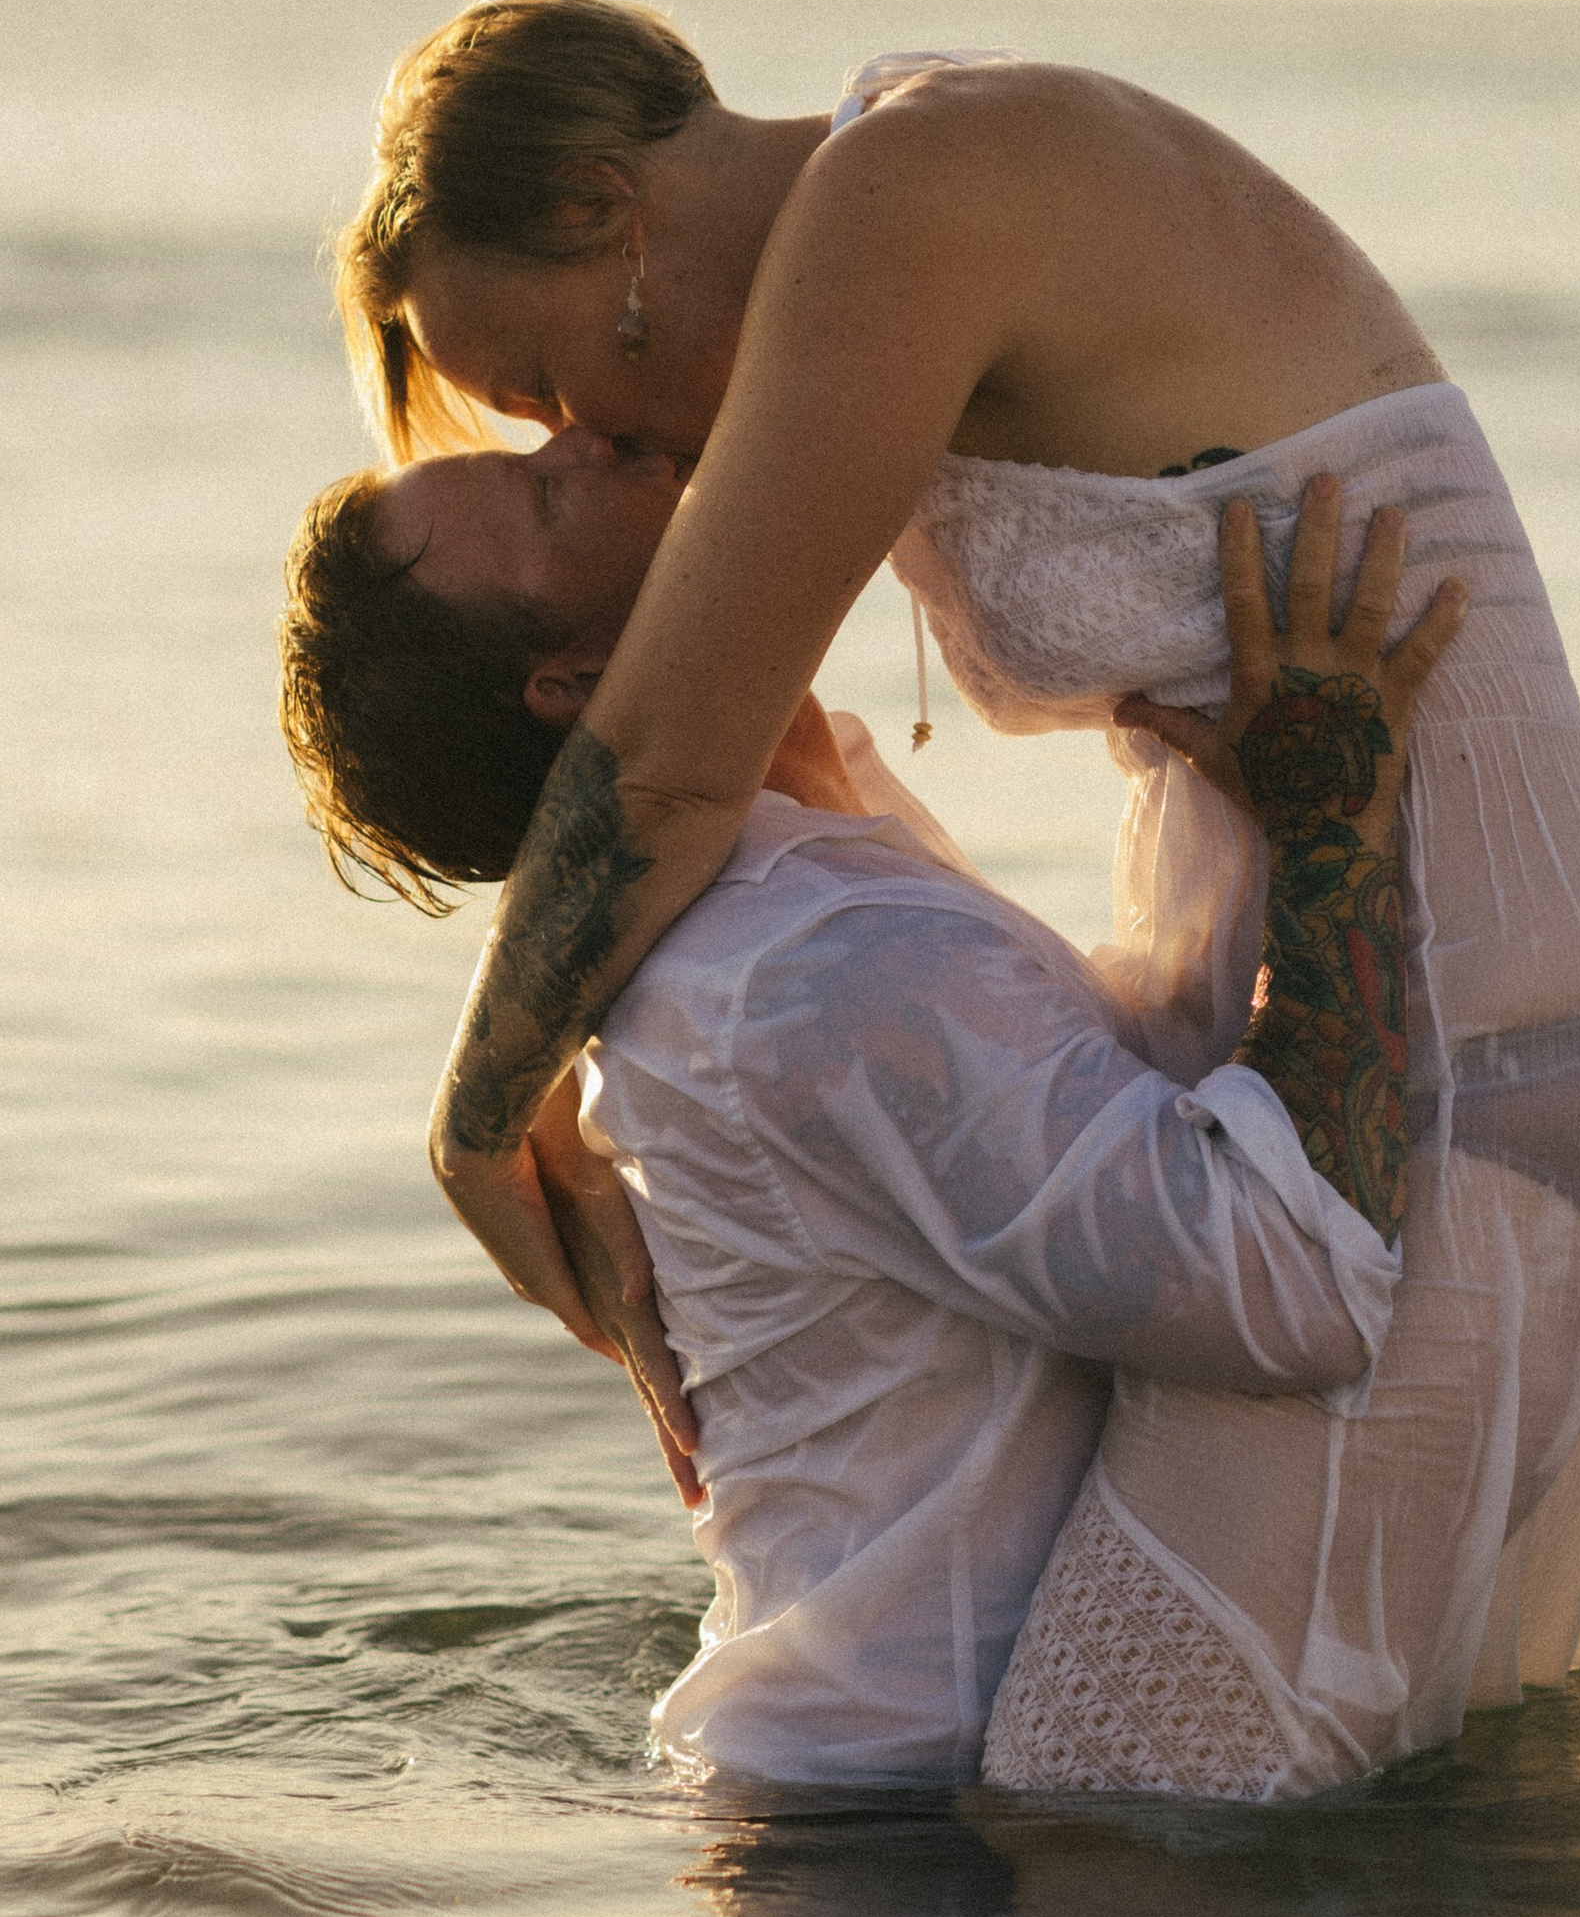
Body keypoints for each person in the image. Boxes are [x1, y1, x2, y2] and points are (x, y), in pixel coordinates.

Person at [334, 0, 1580, 1789]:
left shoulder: (916, 195)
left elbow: (661, 763)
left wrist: (477, 1121)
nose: (585, 436)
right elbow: (671, 754)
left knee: (1109, 1808)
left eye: (539, 387)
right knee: (1257, 1830)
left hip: (1458, 1070)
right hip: (1338, 1045)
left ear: (606, 218)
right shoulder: (882, 225)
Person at [284, 444, 1460, 1787]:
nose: (593, 443)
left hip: (897, 1812)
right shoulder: (808, 968)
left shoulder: (802, 870)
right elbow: (1293, 1281)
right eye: (548, 496)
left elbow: (1112, 1116)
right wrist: (1328, 830)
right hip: (894, 1866)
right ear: (579, 682)